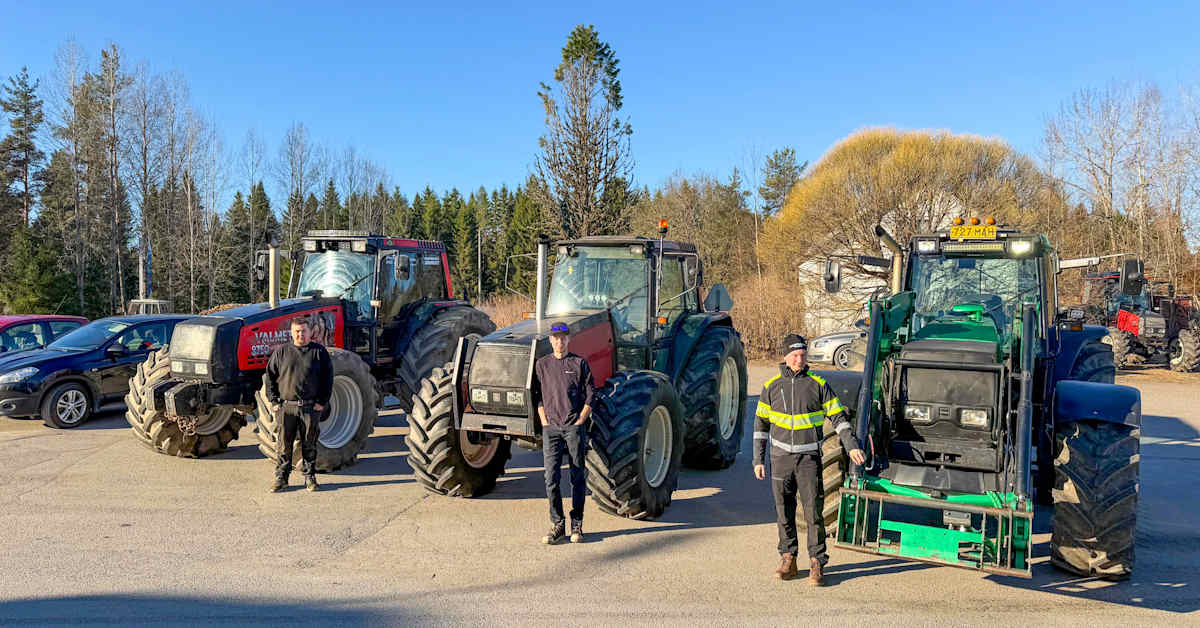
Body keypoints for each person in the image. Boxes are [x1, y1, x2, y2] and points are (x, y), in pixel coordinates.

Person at [753, 333, 866, 585]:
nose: (799, 360)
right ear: (785, 356)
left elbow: (838, 418)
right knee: (784, 512)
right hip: (780, 459)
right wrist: (758, 460)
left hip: (808, 460)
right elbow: (760, 426)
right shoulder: (771, 386)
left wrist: (851, 446)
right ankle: (788, 559)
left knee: (814, 513)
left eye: (802, 355)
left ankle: (817, 563)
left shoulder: (818, 384)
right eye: (794, 355)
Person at [534, 322, 595, 545]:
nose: (559, 341)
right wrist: (544, 420)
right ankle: (557, 523)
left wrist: (581, 419)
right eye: (555, 338)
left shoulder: (579, 364)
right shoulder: (542, 365)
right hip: (551, 430)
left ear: (568, 339)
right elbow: (537, 395)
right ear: (550, 340)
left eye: (563, 338)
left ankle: (577, 522)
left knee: (577, 477)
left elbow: (591, 394)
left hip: (573, 428)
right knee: (551, 478)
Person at [265, 316, 334, 493]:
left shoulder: (319, 352)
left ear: (310, 332)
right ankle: (282, 478)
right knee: (283, 444)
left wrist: (321, 402)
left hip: (310, 408)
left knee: (309, 443)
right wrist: (274, 401)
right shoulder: (281, 352)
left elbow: (328, 379)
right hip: (286, 407)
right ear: (291, 333)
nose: (300, 334)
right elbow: (270, 377)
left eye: (303, 331)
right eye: (297, 331)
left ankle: (310, 477)